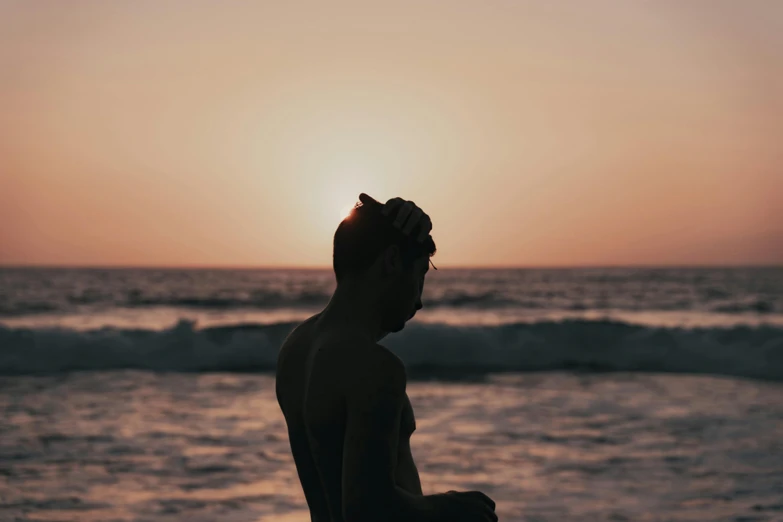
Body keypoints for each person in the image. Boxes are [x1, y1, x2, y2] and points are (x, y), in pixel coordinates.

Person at [275, 194, 498, 522]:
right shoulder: (376, 369)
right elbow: (368, 509)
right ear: (392, 262)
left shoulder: (295, 349)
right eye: (420, 275)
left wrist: (381, 219)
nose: (420, 301)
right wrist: (451, 507)